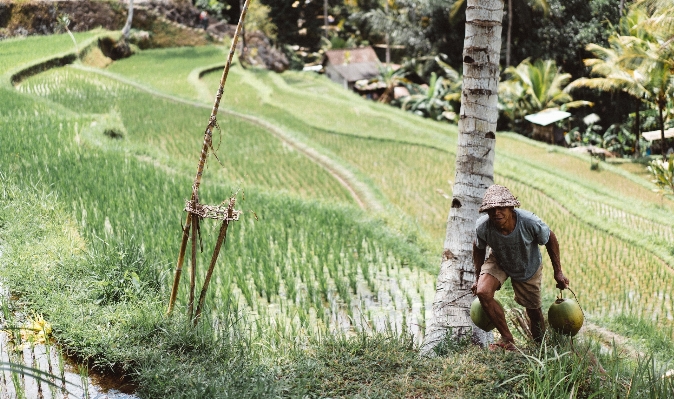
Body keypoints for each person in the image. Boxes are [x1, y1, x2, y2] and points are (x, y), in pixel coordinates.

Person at [470, 184, 569, 351]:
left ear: (511, 207)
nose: (496, 213)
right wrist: (477, 277)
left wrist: (558, 272)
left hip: (527, 264)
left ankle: (540, 348)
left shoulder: (529, 222)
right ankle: (507, 338)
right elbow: (478, 247)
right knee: (482, 291)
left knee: (534, 312)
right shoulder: (483, 227)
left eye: (501, 207)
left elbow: (550, 237)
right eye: (491, 210)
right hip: (499, 259)